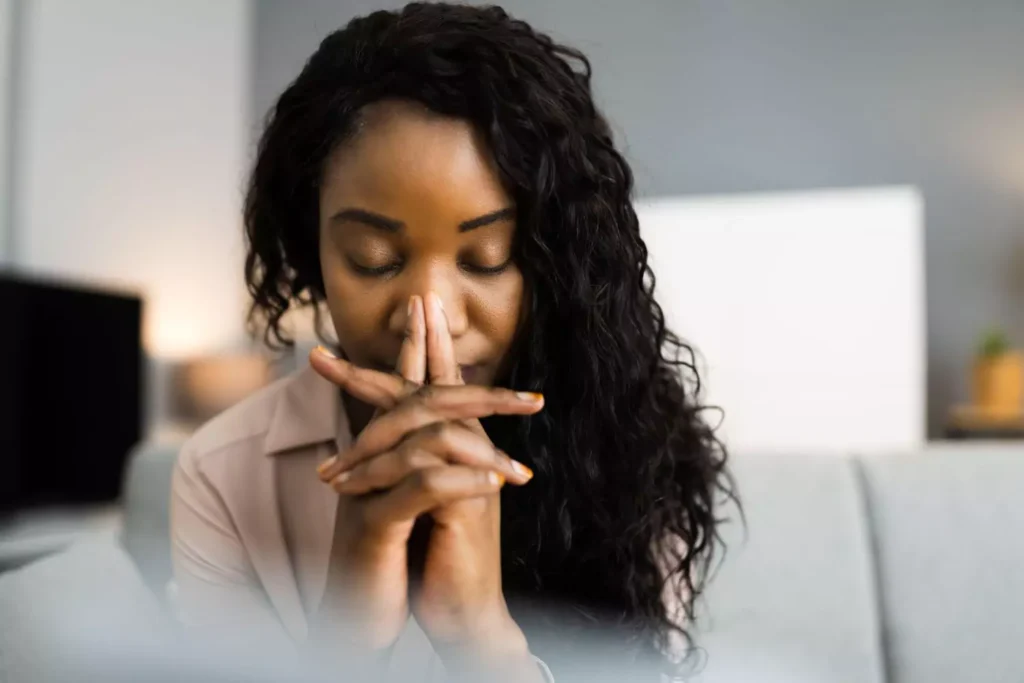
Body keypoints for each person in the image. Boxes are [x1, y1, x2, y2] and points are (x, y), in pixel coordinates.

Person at [170, 3, 733, 681]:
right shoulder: (222, 475)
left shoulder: (634, 448)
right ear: (313, 255)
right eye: (373, 257)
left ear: (550, 265)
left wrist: (481, 634)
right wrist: (348, 621)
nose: (428, 315)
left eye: (487, 257)